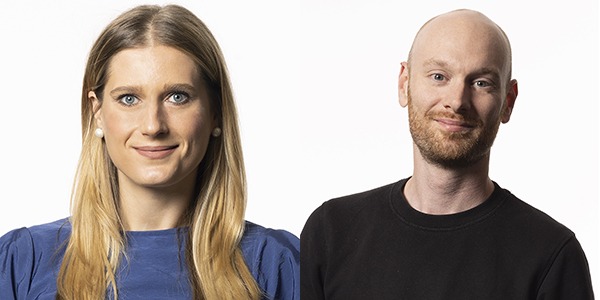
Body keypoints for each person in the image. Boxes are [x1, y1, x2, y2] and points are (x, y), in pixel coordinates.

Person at [0, 4, 299, 300]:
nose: (153, 125)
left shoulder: (276, 264)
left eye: (177, 97)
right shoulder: (21, 263)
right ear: (98, 112)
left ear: (215, 113)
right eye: (129, 98)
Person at [301, 9, 594, 300]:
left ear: (508, 101)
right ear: (405, 84)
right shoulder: (331, 232)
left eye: (481, 83)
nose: (456, 101)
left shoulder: (551, 255)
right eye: (439, 76)